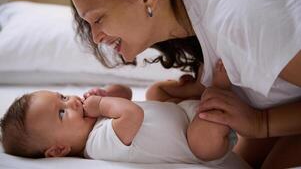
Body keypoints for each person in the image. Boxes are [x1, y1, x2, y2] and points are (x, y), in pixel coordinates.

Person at [64, 0, 301, 168]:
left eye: (97, 19)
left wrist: (262, 123)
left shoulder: (234, 15)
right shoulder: (196, 17)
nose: (95, 38)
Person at [0, 62, 237, 165]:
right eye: (62, 113)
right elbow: (132, 113)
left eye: (62, 97)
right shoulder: (97, 145)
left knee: (155, 91)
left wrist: (106, 92)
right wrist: (102, 104)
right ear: (59, 150)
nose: (71, 102)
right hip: (198, 142)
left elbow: (125, 94)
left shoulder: (93, 120)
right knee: (204, 138)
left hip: (183, 112)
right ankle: (219, 91)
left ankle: (199, 89)